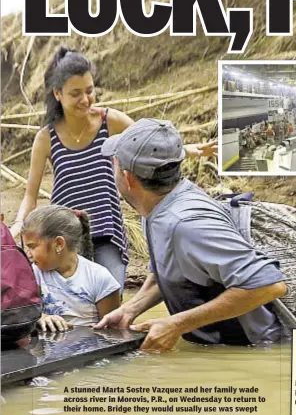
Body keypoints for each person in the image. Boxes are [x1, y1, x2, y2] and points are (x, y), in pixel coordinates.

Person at [10, 47, 217, 289]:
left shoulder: (110, 121)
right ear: (58, 94)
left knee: (111, 301)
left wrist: (190, 149)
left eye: (89, 91)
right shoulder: (46, 138)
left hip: (107, 230)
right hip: (64, 238)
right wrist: (17, 225)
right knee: (73, 307)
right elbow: (30, 196)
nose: (85, 99)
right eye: (75, 93)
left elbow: (151, 143)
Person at [93, 118, 287, 352]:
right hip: (218, 346)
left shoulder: (185, 224)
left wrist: (176, 324)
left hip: (253, 349)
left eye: (113, 164)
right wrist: (130, 309)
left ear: (128, 178)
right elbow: (173, 271)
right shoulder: (154, 207)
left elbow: (269, 285)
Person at [22, 205, 121, 331]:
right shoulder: (33, 274)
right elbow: (22, 314)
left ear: (59, 244)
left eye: (32, 246)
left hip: (90, 348)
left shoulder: (99, 278)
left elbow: (114, 331)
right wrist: (40, 317)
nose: (28, 253)